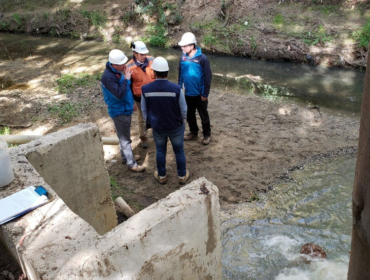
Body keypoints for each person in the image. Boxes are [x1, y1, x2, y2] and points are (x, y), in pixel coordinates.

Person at [141, 57, 189, 185]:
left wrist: (151, 122)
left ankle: (162, 175)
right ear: (167, 72)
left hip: (158, 127)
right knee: (179, 151)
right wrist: (180, 121)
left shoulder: (146, 89)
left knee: (160, 151)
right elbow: (184, 109)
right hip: (175, 126)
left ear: (154, 72)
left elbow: (144, 111)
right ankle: (182, 175)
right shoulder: (176, 88)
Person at [101, 49, 145, 172]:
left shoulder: (117, 70)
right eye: (122, 63)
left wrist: (131, 103)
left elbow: (126, 90)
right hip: (119, 110)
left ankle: (126, 157)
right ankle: (132, 164)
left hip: (126, 107)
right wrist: (126, 78)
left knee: (123, 135)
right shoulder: (108, 77)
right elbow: (119, 94)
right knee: (125, 140)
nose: (124, 65)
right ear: (114, 64)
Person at [178, 32, 212, 145]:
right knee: (189, 114)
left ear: (192, 45)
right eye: (182, 46)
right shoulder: (183, 58)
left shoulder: (203, 59)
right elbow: (180, 74)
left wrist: (205, 94)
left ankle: (207, 134)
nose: (182, 48)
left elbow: (207, 78)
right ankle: (193, 132)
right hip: (188, 93)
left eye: (184, 46)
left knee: (203, 115)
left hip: (200, 94)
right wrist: (179, 89)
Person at [126, 41, 155, 149]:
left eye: (145, 54)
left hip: (153, 96)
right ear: (135, 53)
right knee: (142, 119)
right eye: (141, 54)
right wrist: (131, 101)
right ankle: (143, 137)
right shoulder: (129, 66)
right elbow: (128, 86)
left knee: (155, 115)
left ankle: (156, 133)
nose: (144, 56)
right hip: (139, 98)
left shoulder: (152, 60)